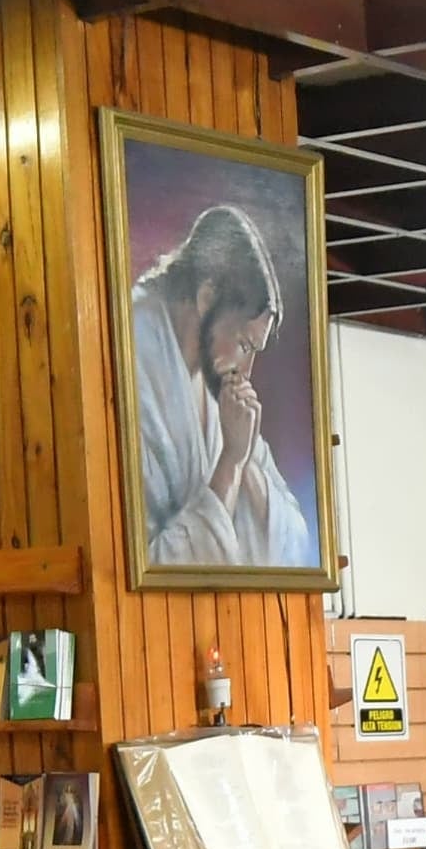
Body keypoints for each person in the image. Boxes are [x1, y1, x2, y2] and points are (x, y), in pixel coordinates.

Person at [132, 202, 317, 572]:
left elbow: (293, 543)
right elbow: (155, 562)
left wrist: (243, 458)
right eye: (245, 345)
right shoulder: (135, 351)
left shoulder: (218, 383)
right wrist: (231, 460)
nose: (247, 369)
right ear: (206, 298)